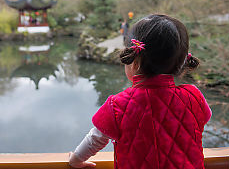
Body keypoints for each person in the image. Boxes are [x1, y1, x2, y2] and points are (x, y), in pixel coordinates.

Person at [69, 14, 212, 169]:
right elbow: (200, 121)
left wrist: (76, 160)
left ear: (135, 63)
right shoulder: (193, 96)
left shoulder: (117, 105)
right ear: (181, 65)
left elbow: (95, 139)